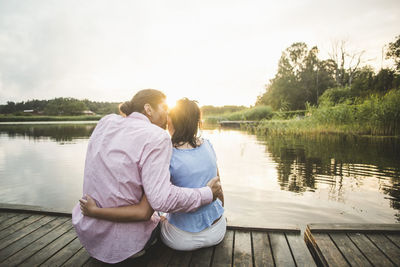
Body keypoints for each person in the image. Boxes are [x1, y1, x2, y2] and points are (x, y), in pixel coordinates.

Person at [72, 89, 222, 264]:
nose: (168, 115)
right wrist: (207, 194)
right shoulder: (157, 137)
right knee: (156, 203)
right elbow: (158, 202)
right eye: (164, 108)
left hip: (90, 235)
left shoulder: (106, 122)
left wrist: (95, 211)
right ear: (148, 109)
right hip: (128, 246)